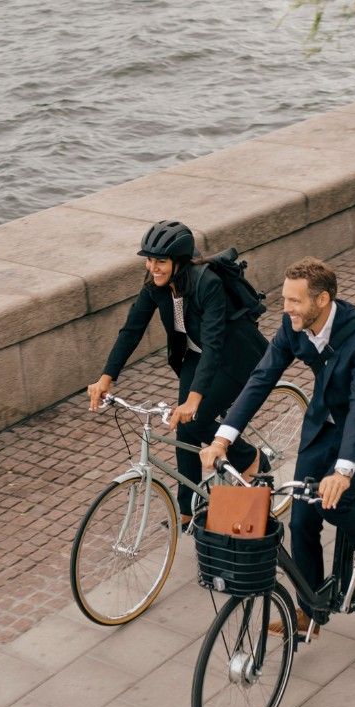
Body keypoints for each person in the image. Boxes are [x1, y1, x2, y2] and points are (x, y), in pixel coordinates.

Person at [200, 256, 355, 637]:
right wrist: (223, 438)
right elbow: (262, 377)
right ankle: (310, 612)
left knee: (334, 500)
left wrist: (343, 472)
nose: (286, 308)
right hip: (325, 424)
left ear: (322, 300)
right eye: (285, 299)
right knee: (300, 520)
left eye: (294, 301)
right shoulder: (292, 325)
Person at [88, 220, 269, 526]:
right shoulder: (155, 285)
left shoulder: (206, 283)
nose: (152, 267)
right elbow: (132, 329)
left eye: (160, 261)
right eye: (149, 260)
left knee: (195, 420)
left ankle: (250, 457)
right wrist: (106, 377)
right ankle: (188, 511)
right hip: (195, 356)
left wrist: (194, 399)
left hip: (235, 356)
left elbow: (214, 343)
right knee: (183, 427)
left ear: (178, 261)